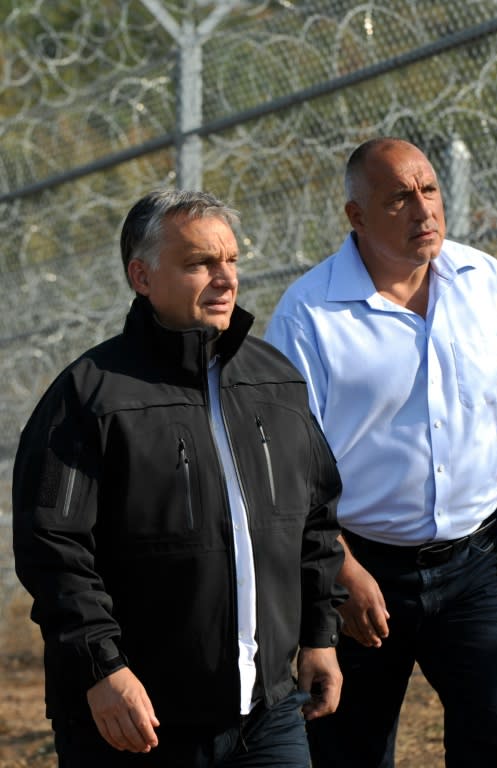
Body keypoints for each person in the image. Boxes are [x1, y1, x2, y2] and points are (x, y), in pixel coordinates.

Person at [264, 137, 497, 768]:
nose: (422, 210)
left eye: (428, 190)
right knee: (347, 752)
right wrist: (338, 574)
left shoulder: (486, 283)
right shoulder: (310, 313)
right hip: (358, 569)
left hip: (475, 566)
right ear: (356, 216)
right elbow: (288, 471)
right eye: (398, 198)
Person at [12, 189, 346, 768]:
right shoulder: (88, 395)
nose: (225, 278)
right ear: (141, 276)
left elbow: (315, 520)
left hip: (268, 717)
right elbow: (53, 549)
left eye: (232, 260)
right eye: (199, 263)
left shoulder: (278, 382)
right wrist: (103, 669)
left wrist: (320, 634)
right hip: (136, 721)